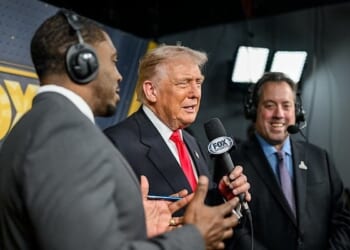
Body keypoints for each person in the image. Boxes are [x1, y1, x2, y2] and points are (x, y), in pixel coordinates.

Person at [0, 10, 243, 250]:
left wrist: (139, 229)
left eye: (198, 83)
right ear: (82, 64)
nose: (119, 75)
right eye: (113, 61)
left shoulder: (42, 125)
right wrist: (194, 239)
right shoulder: (64, 136)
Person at [103, 44, 251, 222]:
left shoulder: (191, 141)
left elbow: (197, 210)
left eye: (198, 83)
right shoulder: (116, 144)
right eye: (183, 83)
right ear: (151, 91)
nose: (195, 93)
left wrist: (222, 196)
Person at [223, 71, 350, 249]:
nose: (279, 114)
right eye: (269, 105)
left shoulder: (320, 158)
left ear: (296, 112)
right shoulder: (233, 163)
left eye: (286, 105)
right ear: (254, 110)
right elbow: (233, 227)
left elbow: (343, 218)